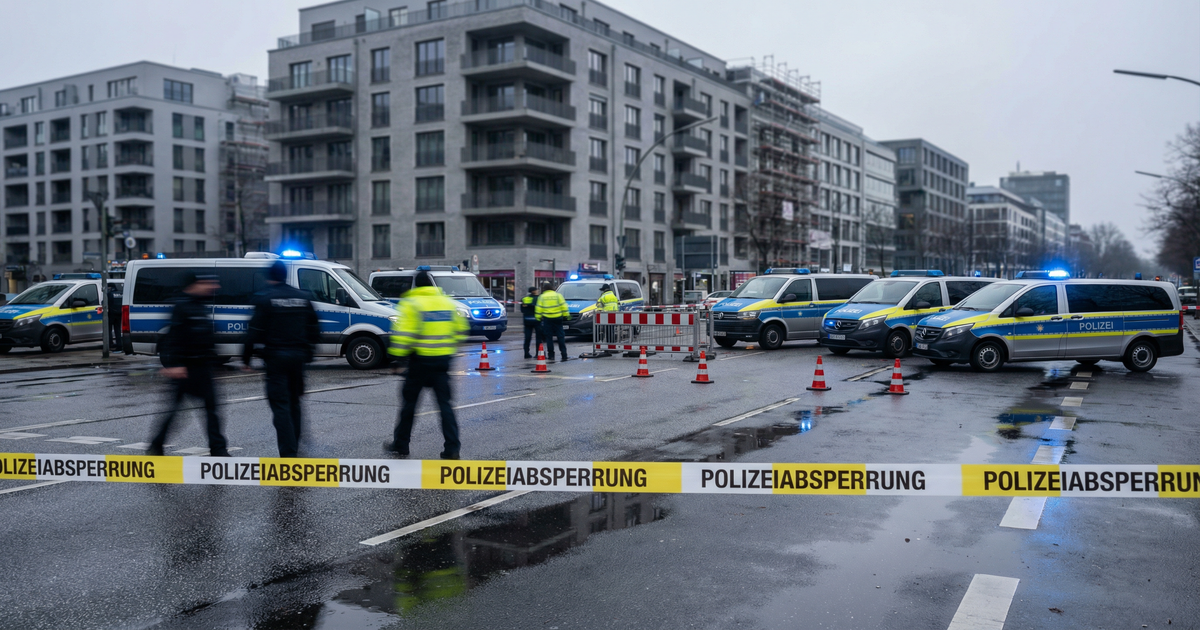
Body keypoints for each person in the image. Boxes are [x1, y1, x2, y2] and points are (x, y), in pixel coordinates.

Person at [385, 270, 468, 460]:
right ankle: (452, 448)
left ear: (416, 286)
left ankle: (401, 445)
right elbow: (462, 330)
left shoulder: (412, 304)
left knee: (409, 407)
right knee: (445, 407)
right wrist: (448, 349)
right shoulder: (447, 303)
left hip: (419, 363)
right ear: (432, 285)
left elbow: (404, 335)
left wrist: (397, 359)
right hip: (442, 363)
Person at [242, 261, 321, 458]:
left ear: (270, 277)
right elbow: (314, 328)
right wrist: (309, 353)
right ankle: (295, 442)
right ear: (285, 275)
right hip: (298, 358)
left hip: (276, 359)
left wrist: (246, 359)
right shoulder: (303, 297)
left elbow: (253, 332)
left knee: (280, 406)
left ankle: (288, 453)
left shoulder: (265, 298)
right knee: (294, 402)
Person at [148, 272, 229, 457]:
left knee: (212, 410)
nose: (213, 287)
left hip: (202, 368)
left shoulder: (200, 305)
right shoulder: (182, 306)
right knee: (175, 411)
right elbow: (173, 338)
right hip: (186, 369)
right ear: (196, 284)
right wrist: (174, 364)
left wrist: (215, 362)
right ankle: (157, 444)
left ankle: (218, 450)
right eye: (209, 283)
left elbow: (206, 337)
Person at [536, 281, 569, 361]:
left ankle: (551, 355)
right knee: (560, 337)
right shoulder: (558, 295)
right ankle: (564, 354)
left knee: (549, 338)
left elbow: (538, 308)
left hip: (547, 319)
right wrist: (566, 315)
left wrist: (538, 317)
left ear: (544, 289)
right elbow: (563, 306)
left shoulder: (542, 296)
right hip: (558, 318)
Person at [520, 285, 542, 358]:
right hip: (537, 320)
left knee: (527, 338)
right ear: (534, 291)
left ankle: (526, 353)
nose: (538, 291)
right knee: (538, 338)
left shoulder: (524, 299)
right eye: (537, 290)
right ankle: (538, 353)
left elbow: (522, 310)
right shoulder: (539, 298)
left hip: (527, 320)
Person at [106, 282, 123, 353]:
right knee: (117, 330)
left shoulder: (110, 294)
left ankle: (110, 344)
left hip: (111, 314)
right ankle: (119, 344)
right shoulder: (120, 293)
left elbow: (106, 302)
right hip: (119, 314)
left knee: (109, 330)